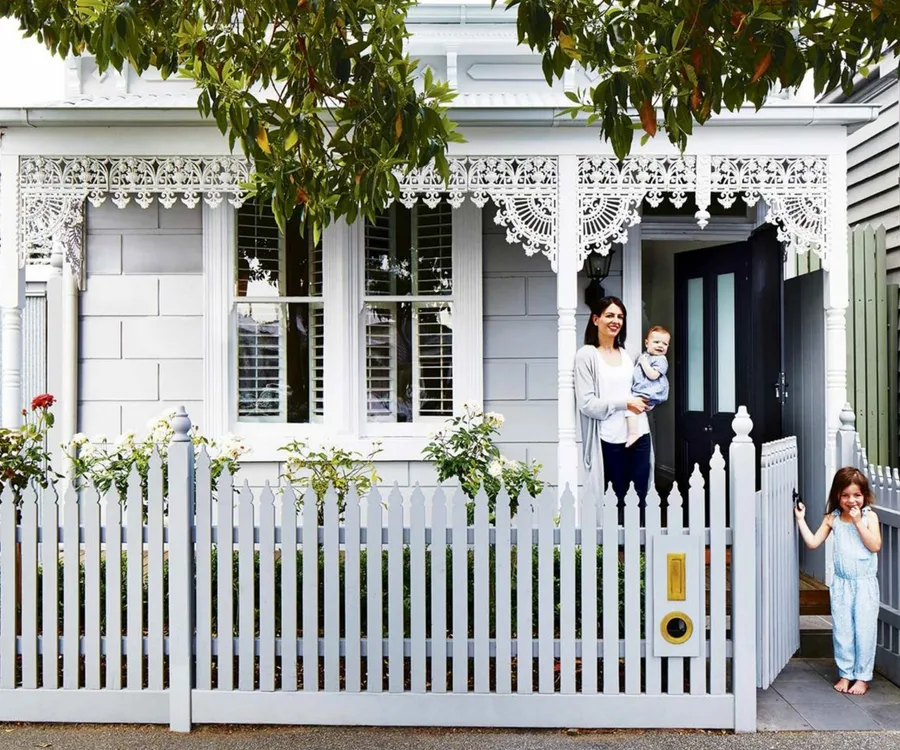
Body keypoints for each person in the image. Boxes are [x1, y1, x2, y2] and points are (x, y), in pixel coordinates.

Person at [795, 467, 882, 695]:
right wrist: (801, 520)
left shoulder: (869, 517)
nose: (851, 500)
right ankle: (846, 673)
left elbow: (875, 545)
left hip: (864, 584)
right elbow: (813, 543)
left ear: (864, 495)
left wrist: (858, 523)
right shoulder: (832, 518)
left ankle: (862, 677)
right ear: (837, 495)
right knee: (843, 631)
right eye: (845, 495)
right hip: (842, 584)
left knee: (864, 630)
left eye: (857, 495)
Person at [575, 295, 652, 511]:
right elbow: (587, 404)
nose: (615, 321)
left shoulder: (630, 354)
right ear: (595, 319)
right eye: (609, 315)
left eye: (620, 317)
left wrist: (649, 400)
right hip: (608, 438)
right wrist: (625, 404)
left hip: (639, 434)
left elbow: (646, 387)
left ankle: (638, 535)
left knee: (640, 499)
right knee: (614, 500)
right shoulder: (587, 356)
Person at [626, 326, 670, 448]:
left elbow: (653, 375)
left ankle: (633, 434)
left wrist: (644, 363)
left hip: (649, 392)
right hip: (644, 390)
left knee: (630, 410)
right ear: (647, 343)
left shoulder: (661, 360)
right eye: (656, 342)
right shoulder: (646, 356)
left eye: (665, 344)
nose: (660, 345)